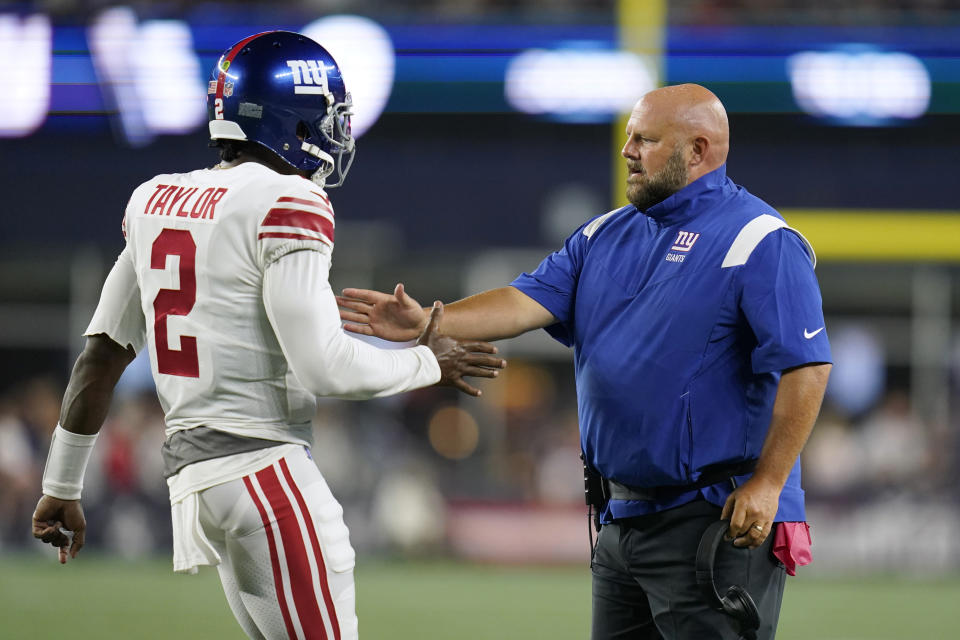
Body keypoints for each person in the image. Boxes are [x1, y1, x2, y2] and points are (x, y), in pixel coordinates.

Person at [31, 31, 505, 640]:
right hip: (266, 474)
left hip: (196, 483)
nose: (336, 131)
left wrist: (61, 485)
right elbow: (324, 366)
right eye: (328, 116)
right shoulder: (290, 198)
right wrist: (426, 363)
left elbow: (99, 357)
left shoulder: (155, 199)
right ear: (293, 116)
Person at [337, 84, 832, 639]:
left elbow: (807, 367)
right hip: (621, 521)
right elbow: (525, 300)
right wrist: (432, 321)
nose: (628, 151)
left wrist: (769, 483)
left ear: (697, 150)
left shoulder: (759, 239)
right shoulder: (604, 233)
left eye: (645, 139)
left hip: (712, 521)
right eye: (628, 138)